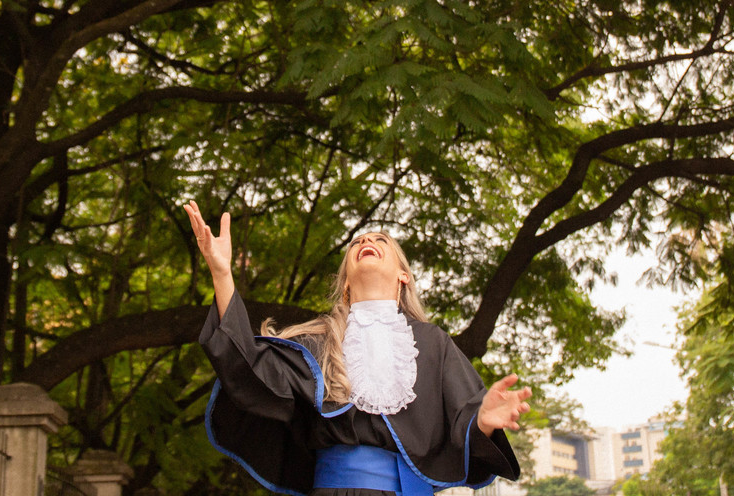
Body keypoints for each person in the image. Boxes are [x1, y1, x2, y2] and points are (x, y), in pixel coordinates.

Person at [185, 201, 531, 496]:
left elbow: (463, 421)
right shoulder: (316, 342)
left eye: (380, 240)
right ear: (346, 281)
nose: (366, 240)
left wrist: (483, 421)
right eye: (358, 242)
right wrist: (222, 274)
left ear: (403, 275)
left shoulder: (432, 343)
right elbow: (247, 368)